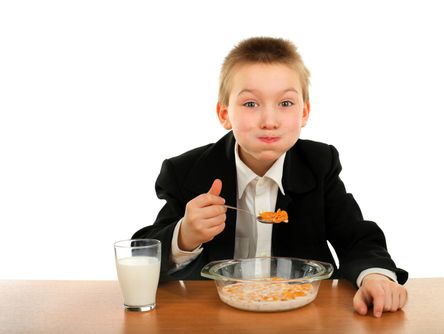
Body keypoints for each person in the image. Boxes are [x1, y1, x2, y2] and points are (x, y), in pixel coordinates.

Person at [133, 37, 408, 317]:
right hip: (215, 315)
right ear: (224, 114)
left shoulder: (318, 164)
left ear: (305, 113)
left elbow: (357, 239)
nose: (269, 120)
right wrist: (185, 236)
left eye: (285, 103)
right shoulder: (188, 171)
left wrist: (376, 277)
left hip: (303, 313)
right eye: (251, 104)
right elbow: (142, 253)